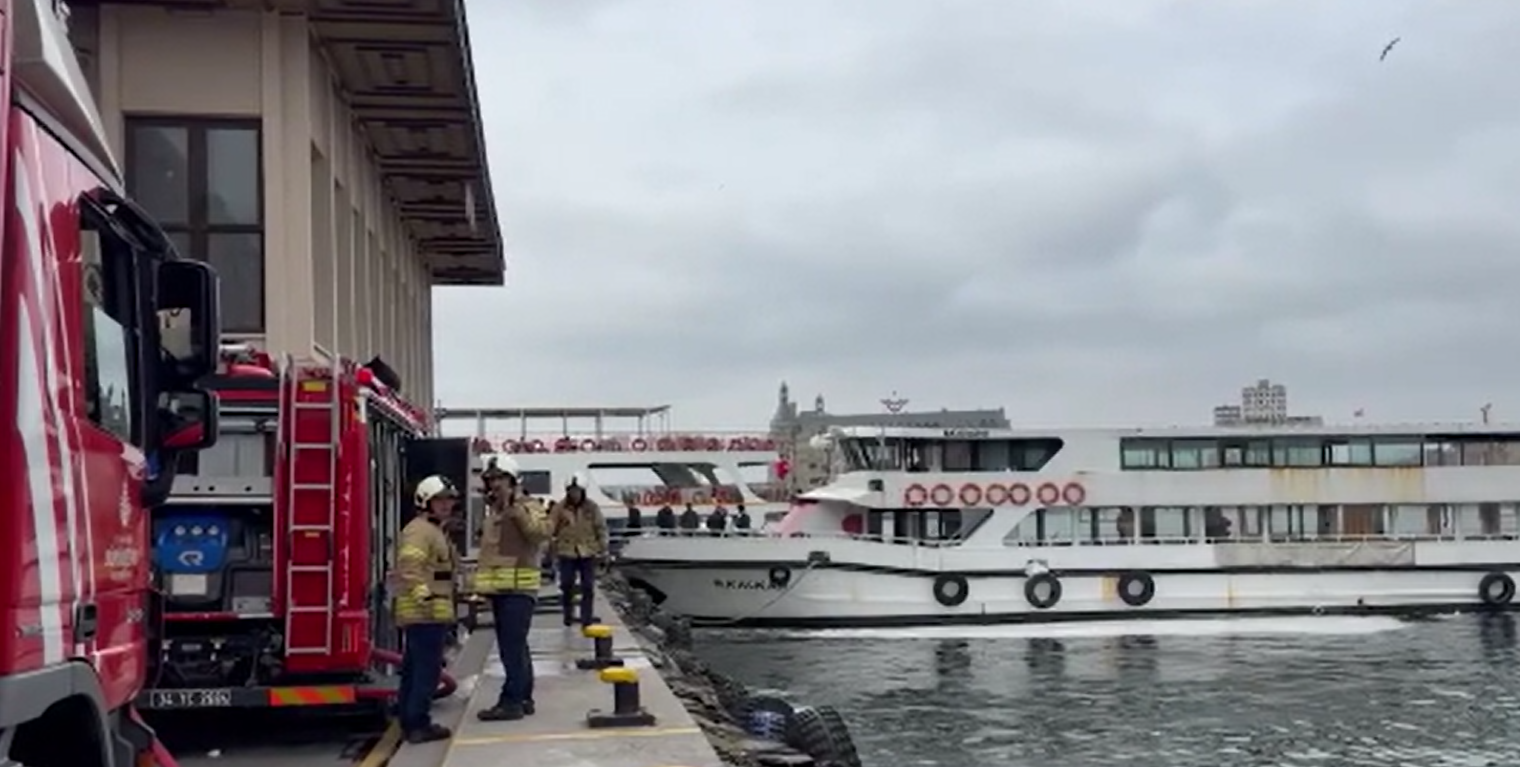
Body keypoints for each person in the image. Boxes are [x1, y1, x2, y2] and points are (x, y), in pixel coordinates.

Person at [474, 458, 551, 722]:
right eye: (491, 479)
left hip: (519, 588)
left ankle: (511, 701)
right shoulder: (495, 511)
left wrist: (515, 509)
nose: (495, 485)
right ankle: (524, 697)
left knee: (511, 647)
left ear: (513, 481)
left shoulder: (528, 506)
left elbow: (540, 534)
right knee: (516, 646)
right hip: (501, 589)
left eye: (500, 479)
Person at [394, 475, 461, 744]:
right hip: (424, 613)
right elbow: (410, 567)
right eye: (440, 500)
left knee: (415, 669)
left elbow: (439, 571)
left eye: (449, 500)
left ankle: (409, 719)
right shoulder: (420, 531)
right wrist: (426, 596)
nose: (446, 505)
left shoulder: (433, 530)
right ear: (425, 502)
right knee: (426, 671)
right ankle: (418, 724)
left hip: (430, 612)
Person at [550, 476, 608, 627]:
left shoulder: (592, 507)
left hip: (587, 551)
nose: (575, 494)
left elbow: (600, 528)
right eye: (572, 491)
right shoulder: (559, 508)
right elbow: (550, 529)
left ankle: (586, 617)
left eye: (577, 491)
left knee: (588, 586)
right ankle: (568, 614)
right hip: (566, 551)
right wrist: (550, 548)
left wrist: (603, 548)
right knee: (567, 584)